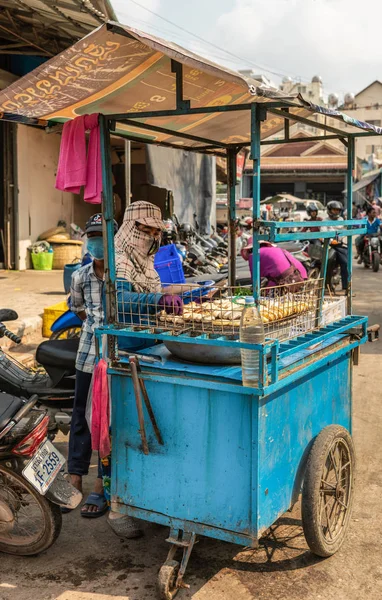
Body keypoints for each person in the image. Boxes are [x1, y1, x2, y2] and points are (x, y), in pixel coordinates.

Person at [68, 214, 118, 518]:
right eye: (92, 236)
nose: (96, 242)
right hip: (88, 354)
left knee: (107, 420)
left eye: (101, 236)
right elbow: (78, 310)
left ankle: (101, 482)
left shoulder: (120, 276)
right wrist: (94, 332)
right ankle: (75, 474)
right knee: (80, 416)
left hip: (114, 357)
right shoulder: (80, 276)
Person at [241, 239, 307, 288]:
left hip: (287, 279)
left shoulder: (253, 255)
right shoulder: (278, 249)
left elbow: (255, 279)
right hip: (301, 275)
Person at [323, 200, 348, 291]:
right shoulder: (325, 220)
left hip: (340, 245)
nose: (336, 212)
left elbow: (342, 233)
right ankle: (327, 285)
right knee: (328, 261)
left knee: (346, 263)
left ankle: (345, 285)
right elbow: (323, 233)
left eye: (338, 210)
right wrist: (330, 241)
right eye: (334, 210)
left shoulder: (341, 220)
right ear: (329, 210)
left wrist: (337, 239)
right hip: (328, 245)